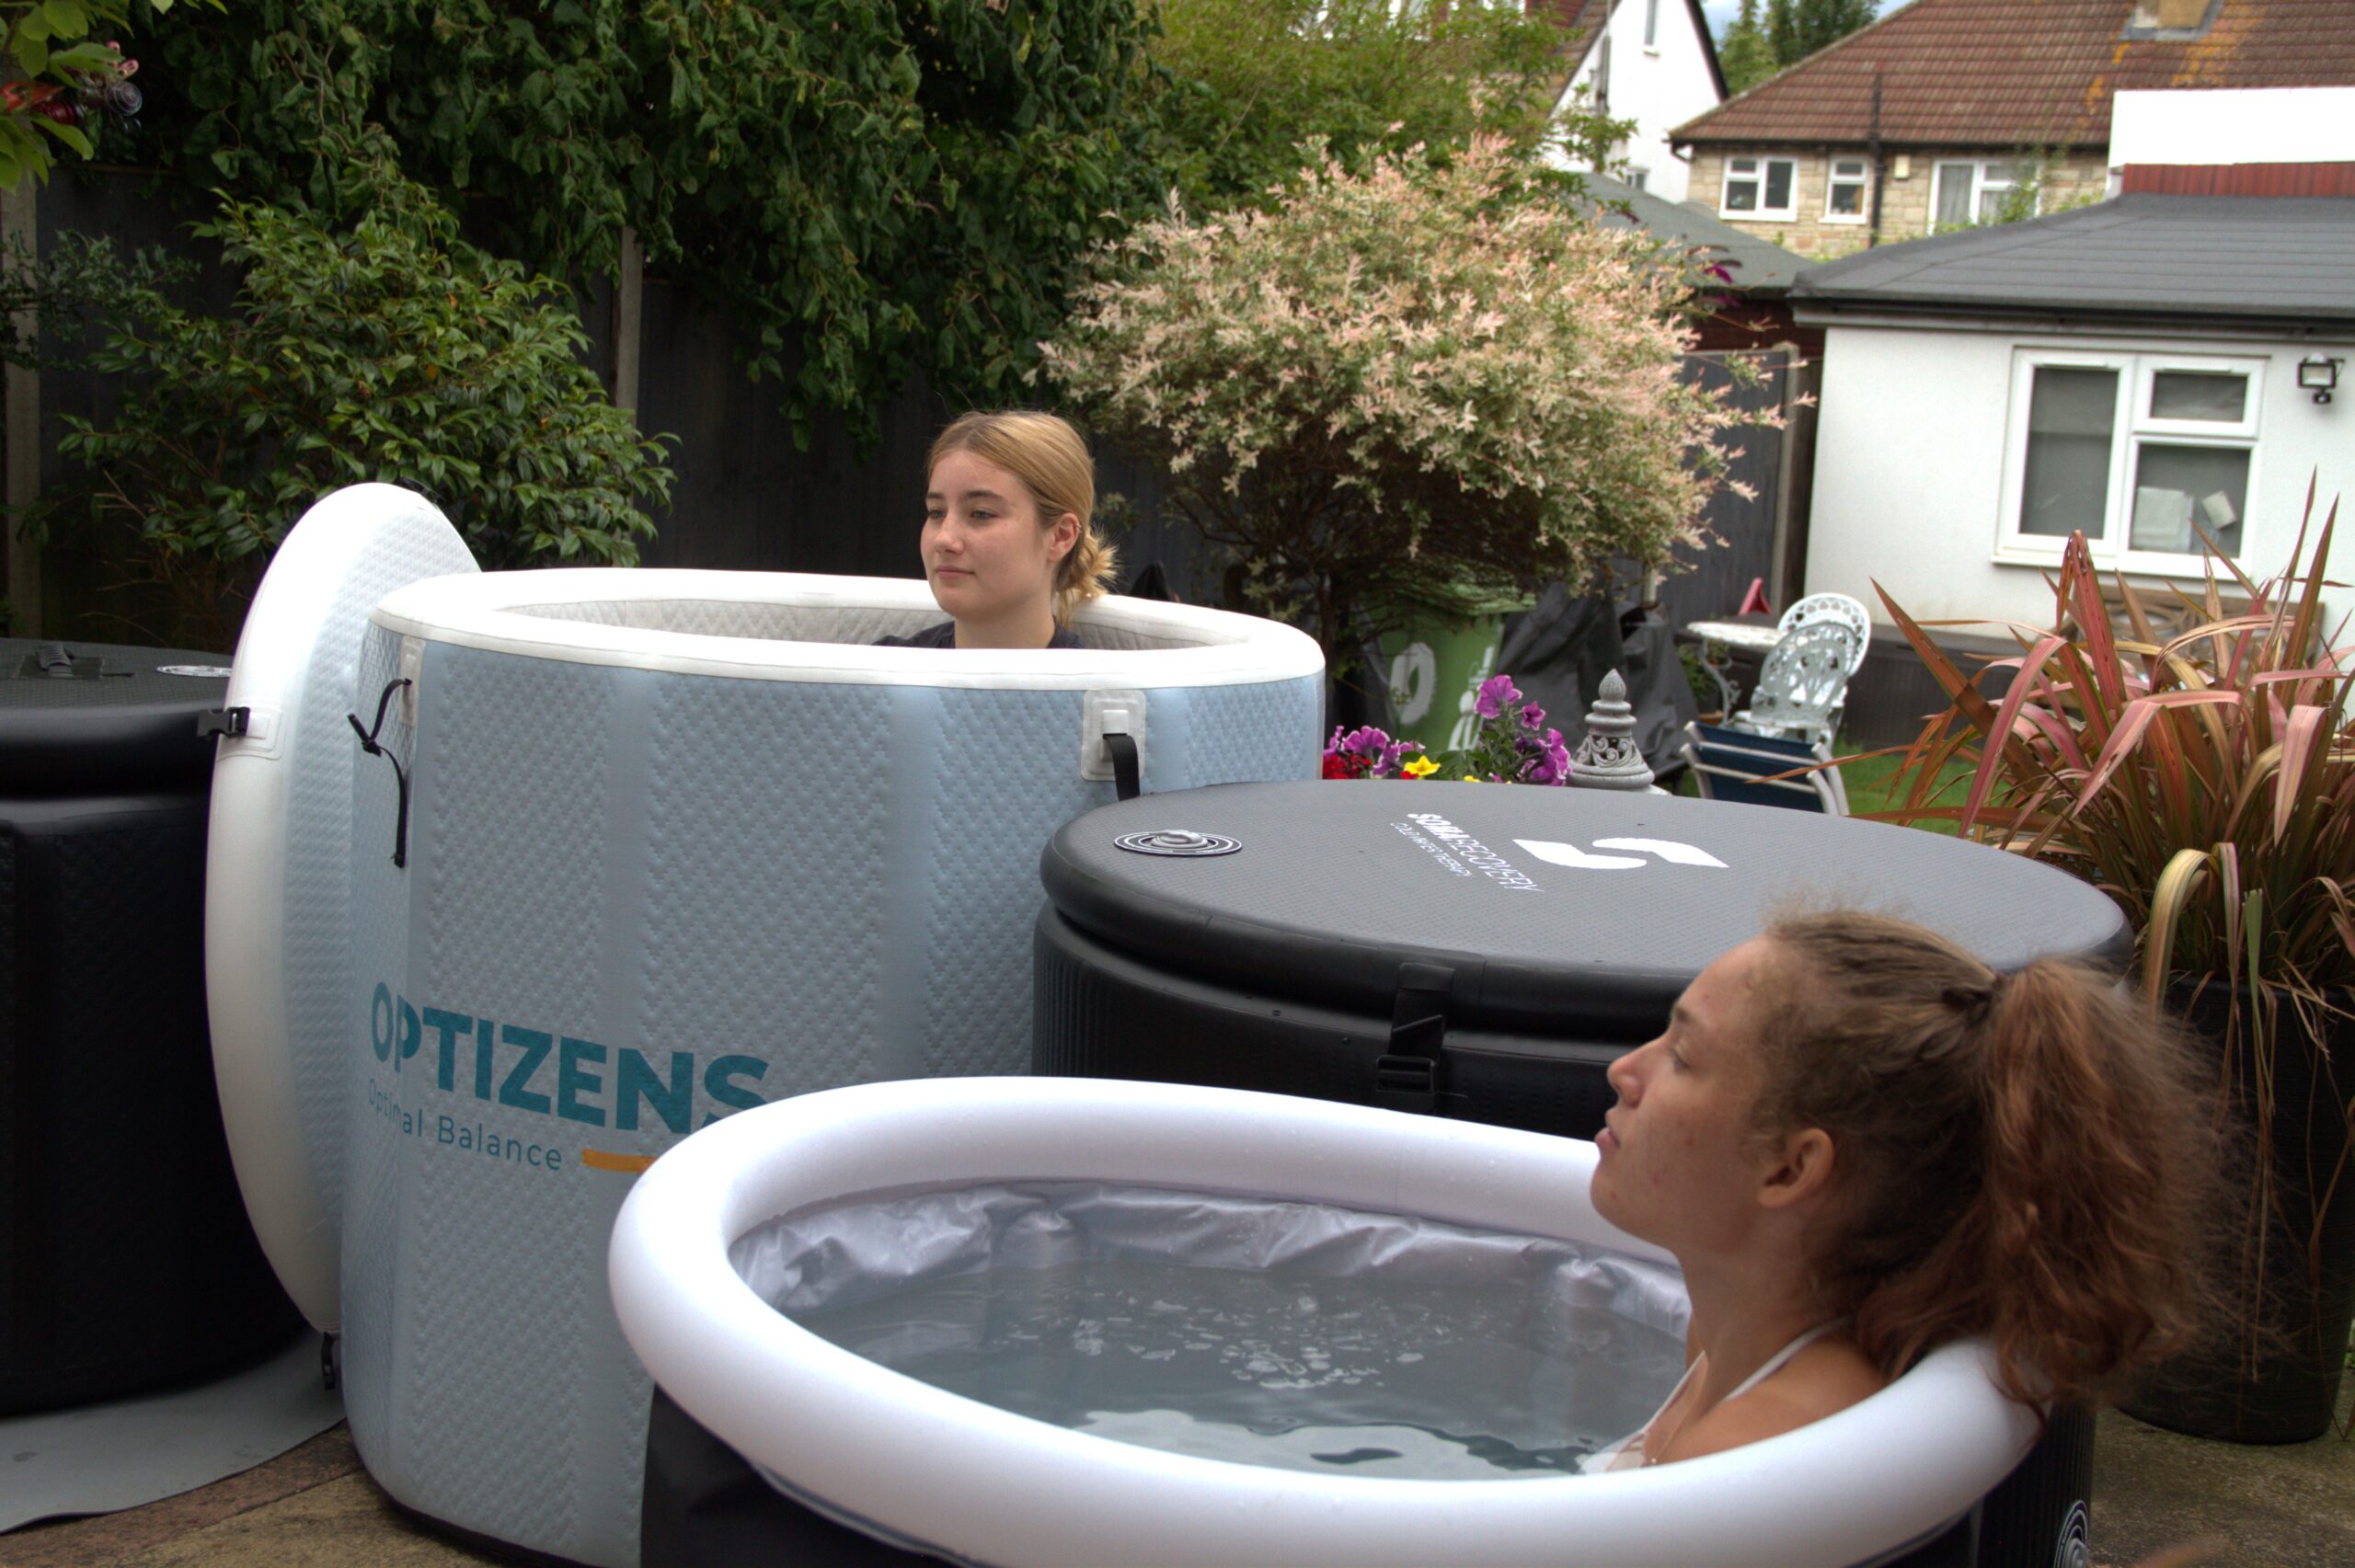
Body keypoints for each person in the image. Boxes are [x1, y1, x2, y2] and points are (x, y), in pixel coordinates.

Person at [1582, 910, 2212, 1471]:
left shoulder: (1752, 1453)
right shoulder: (1729, 1336)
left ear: (1789, 1169)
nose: (1625, 1070)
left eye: (1684, 1056)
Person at [876, 410, 1117, 651]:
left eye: (981, 514)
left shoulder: (1095, 687)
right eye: (936, 512)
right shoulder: (878, 674)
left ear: (1060, 536)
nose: (943, 539)